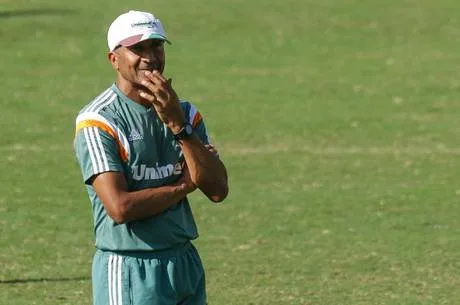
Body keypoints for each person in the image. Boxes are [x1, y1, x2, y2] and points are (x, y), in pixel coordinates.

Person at [73, 10, 229, 305]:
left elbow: (218, 189)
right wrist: (184, 186)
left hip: (184, 261)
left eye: (155, 46)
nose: (149, 56)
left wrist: (177, 126)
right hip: (129, 267)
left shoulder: (185, 113)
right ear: (114, 59)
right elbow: (120, 207)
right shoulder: (98, 121)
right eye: (137, 48)